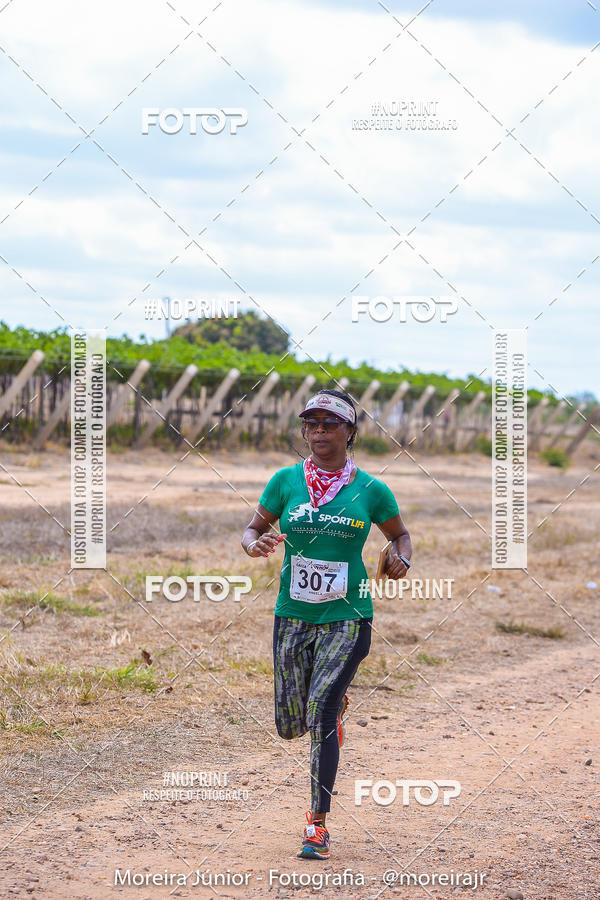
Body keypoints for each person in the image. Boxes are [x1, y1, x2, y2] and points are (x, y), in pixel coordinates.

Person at [241, 388, 412, 859]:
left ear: (349, 432)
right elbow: (252, 528)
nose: (318, 431)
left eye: (330, 423)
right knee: (289, 723)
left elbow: (400, 535)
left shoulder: (371, 490)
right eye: (311, 423)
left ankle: (316, 825)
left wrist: (401, 559)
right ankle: (331, 712)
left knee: (319, 709)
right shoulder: (285, 481)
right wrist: (253, 543)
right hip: (292, 615)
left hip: (348, 616)